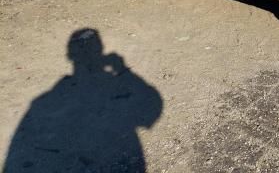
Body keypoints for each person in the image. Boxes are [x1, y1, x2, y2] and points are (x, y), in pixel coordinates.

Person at [3, 29, 162, 172]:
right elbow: (152, 109)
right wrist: (122, 68)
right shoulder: (45, 100)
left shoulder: (43, 100)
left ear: (70, 55)